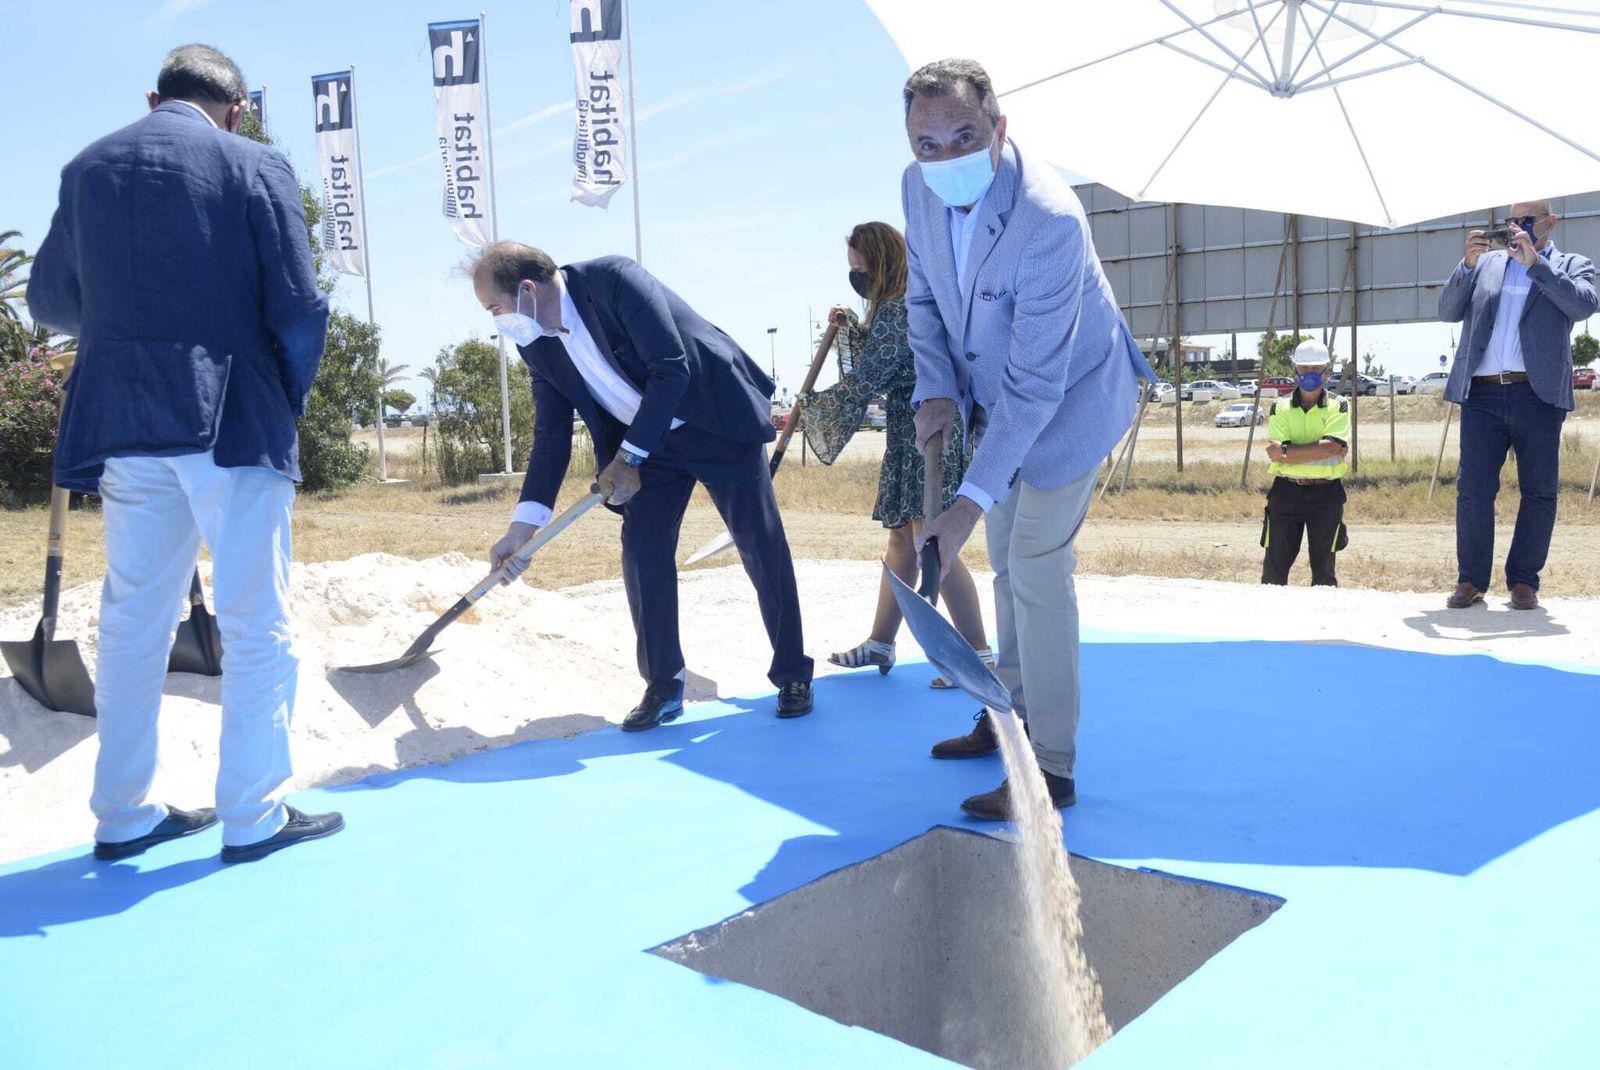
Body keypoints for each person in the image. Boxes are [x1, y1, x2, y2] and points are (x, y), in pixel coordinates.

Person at [26, 45, 341, 863]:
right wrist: (289, 396)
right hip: (232, 416)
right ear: (235, 109)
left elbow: (53, 299)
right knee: (254, 620)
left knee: (133, 620)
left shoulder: (87, 166)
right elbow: (301, 305)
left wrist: (126, 329)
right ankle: (252, 814)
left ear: (153, 97)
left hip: (121, 419)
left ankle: (122, 813)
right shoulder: (253, 163)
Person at [900, 59, 1153, 820]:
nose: (943, 157)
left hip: (1071, 402)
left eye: (963, 136)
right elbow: (923, 299)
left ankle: (1051, 768)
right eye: (927, 142)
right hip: (993, 404)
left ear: (999, 129)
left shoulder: (1048, 220)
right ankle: (1007, 715)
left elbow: (1036, 388)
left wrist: (965, 504)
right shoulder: (916, 189)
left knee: (1035, 564)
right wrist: (936, 384)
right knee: (1006, 565)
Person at [470, 243, 814, 728]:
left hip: (713, 418)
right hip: (648, 445)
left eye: (495, 309)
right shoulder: (535, 343)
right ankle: (663, 685)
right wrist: (523, 527)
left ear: (526, 290)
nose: (498, 321)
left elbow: (672, 368)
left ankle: (793, 673)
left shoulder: (613, 280)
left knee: (759, 542)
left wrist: (628, 457)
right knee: (643, 550)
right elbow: (551, 436)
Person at [801, 222, 992, 685]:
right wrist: (850, 324)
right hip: (912, 436)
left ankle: (978, 656)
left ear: (880, 262)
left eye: (860, 268)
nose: (857, 277)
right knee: (902, 541)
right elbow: (881, 359)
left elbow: (868, 376)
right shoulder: (899, 308)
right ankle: (882, 642)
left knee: (933, 543)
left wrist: (811, 410)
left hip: (930, 436)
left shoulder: (898, 311)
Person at [1438, 200, 1597, 610]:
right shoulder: (1487, 264)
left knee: (1540, 493)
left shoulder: (1572, 264)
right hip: (1483, 394)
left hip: (1538, 395)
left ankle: (1524, 581)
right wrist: (1467, 266)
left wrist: (1536, 265)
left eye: (1526, 220)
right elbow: (1447, 311)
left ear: (1550, 222)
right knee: (1472, 491)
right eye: (1511, 221)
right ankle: (1470, 580)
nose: (1516, 228)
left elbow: (1582, 304)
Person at [1259, 340, 1350, 587]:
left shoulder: (1338, 405)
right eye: (1304, 368)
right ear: (1295, 370)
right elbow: (1331, 449)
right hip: (1286, 493)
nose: (1309, 374)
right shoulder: (1280, 407)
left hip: (1326, 495)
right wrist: (1324, 449)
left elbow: (1330, 446)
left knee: (1324, 575)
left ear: (1327, 371)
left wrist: (1287, 452)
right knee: (1274, 573)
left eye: (1315, 368)